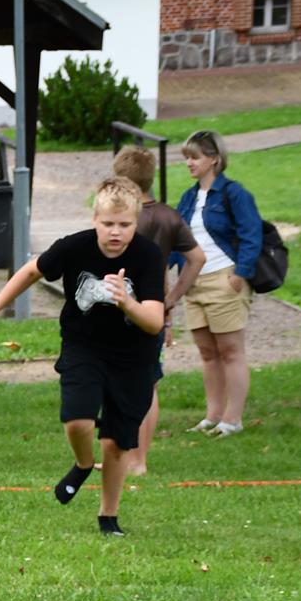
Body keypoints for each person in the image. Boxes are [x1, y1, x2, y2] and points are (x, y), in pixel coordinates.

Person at [0, 177, 164, 537]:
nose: (115, 232)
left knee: (117, 442)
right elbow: (29, 271)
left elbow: (154, 322)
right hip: (83, 347)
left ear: (136, 223)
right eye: (108, 224)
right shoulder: (74, 247)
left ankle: (108, 516)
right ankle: (84, 463)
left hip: (134, 357)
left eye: (125, 225)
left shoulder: (147, 256)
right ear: (94, 219)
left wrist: (126, 302)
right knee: (77, 421)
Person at [111, 146, 205, 473]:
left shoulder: (121, 219)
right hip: (155, 310)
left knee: (120, 383)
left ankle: (126, 456)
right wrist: (173, 299)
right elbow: (197, 258)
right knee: (148, 384)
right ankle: (139, 460)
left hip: (119, 311)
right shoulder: (169, 216)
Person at [174, 129, 262, 437]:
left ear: (214, 159)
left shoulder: (234, 193)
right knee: (207, 352)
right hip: (193, 283)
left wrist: (241, 273)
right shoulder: (188, 197)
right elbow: (177, 239)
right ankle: (212, 415)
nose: (189, 163)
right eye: (186, 157)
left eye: (195, 157)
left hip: (224, 278)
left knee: (230, 351)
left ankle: (232, 418)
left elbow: (252, 234)